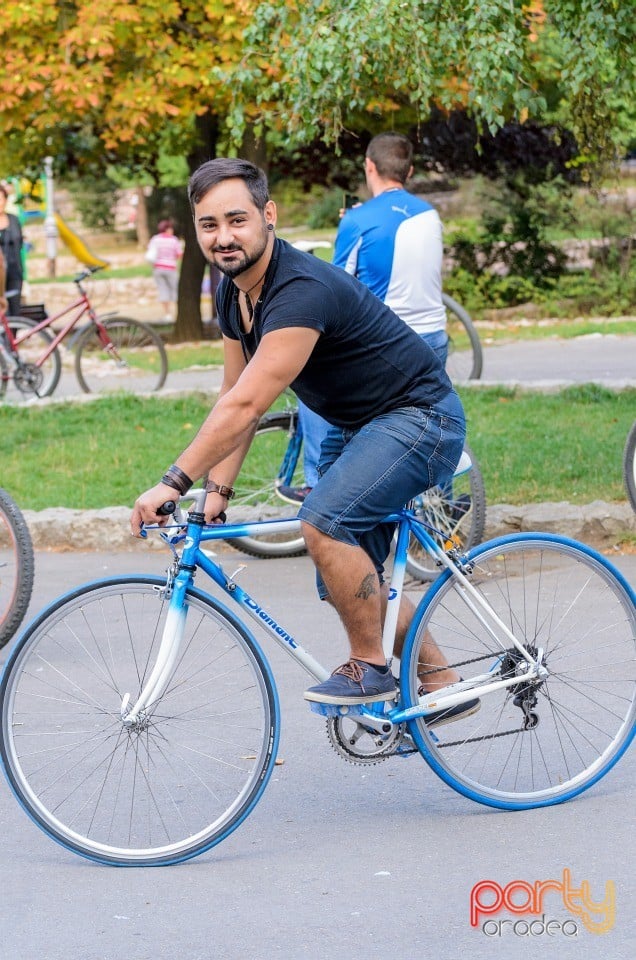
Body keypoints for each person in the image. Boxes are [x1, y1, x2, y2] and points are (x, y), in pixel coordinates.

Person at [131, 157, 476, 717]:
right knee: (342, 579)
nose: (224, 237)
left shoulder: (298, 290)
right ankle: (440, 683)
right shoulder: (232, 292)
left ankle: (371, 669)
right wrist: (216, 493)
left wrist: (173, 481)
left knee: (325, 522)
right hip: (360, 423)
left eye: (237, 220)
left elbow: (249, 403)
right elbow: (232, 392)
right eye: (209, 225)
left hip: (420, 418)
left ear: (268, 215)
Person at [279, 132, 448, 505]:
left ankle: (315, 483)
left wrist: (350, 224)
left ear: (369, 166)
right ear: (410, 170)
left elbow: (334, 288)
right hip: (434, 333)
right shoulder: (429, 214)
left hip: (390, 343)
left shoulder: (358, 220)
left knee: (314, 389)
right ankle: (442, 503)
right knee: (431, 422)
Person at [147, 218, 183, 321]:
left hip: (158, 268)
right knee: (175, 290)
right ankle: (178, 314)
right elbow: (179, 254)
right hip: (171, 268)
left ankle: (167, 314)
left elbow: (150, 251)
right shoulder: (174, 240)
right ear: (167, 229)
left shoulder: (155, 239)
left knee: (163, 290)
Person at [0, 184, 24, 315]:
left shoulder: (14, 220)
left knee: (15, 310)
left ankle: (14, 336)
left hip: (15, 271)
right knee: (3, 312)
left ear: (5, 200)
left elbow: (19, 242)